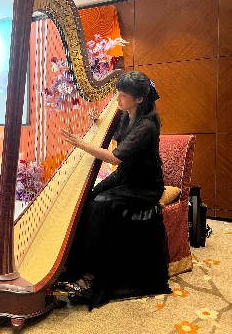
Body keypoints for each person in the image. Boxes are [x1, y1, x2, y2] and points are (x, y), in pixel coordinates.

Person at [60, 71, 171, 310]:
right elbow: (115, 135)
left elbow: (115, 157)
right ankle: (71, 265)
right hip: (125, 178)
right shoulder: (126, 114)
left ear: (139, 99)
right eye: (117, 93)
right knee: (87, 197)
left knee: (100, 205)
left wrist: (81, 144)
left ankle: (92, 275)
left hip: (144, 186)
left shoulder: (147, 125)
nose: (117, 99)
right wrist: (96, 122)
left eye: (122, 95)